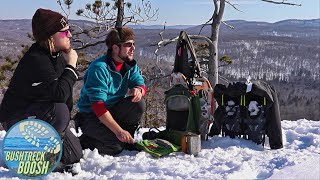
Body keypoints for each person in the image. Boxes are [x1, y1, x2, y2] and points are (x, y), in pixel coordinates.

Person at [0, 8, 82, 172]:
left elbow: (65, 97)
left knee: (74, 155)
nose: (70, 36)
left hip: (37, 114)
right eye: (65, 32)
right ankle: (26, 153)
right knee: (59, 111)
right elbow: (60, 95)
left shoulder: (56, 55)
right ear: (51, 36)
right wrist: (71, 65)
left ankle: (44, 149)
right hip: (16, 120)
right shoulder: (37, 59)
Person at [75, 27, 146, 155]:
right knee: (115, 147)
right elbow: (98, 106)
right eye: (128, 45)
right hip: (91, 116)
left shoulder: (129, 65)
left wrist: (139, 89)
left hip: (112, 109)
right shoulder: (99, 68)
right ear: (115, 48)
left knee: (138, 103)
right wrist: (118, 131)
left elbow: (140, 83)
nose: (133, 48)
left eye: (133, 44)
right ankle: (84, 142)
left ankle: (127, 139)